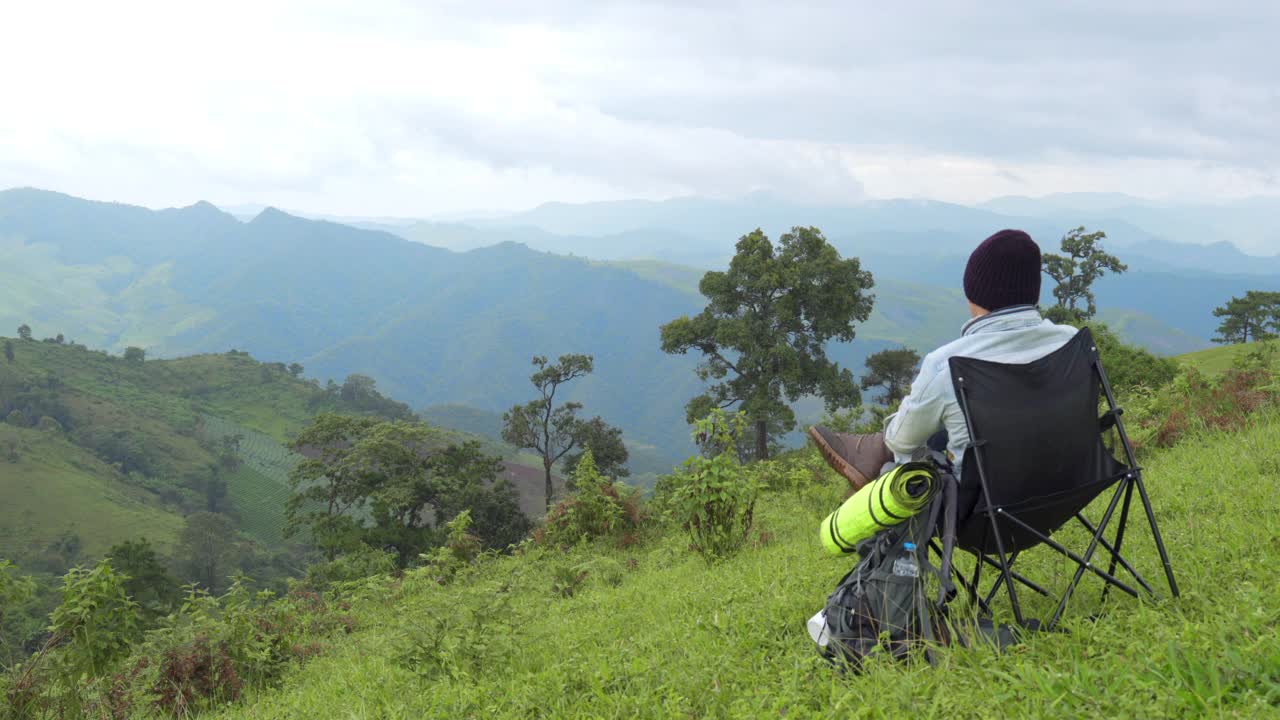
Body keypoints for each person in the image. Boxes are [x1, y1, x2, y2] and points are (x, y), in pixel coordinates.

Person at [809, 229, 1076, 487]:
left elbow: (902, 443)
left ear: (975, 292)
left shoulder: (949, 363)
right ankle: (872, 450)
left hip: (982, 505)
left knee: (900, 455)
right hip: (1065, 485)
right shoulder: (1071, 341)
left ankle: (870, 458)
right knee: (943, 429)